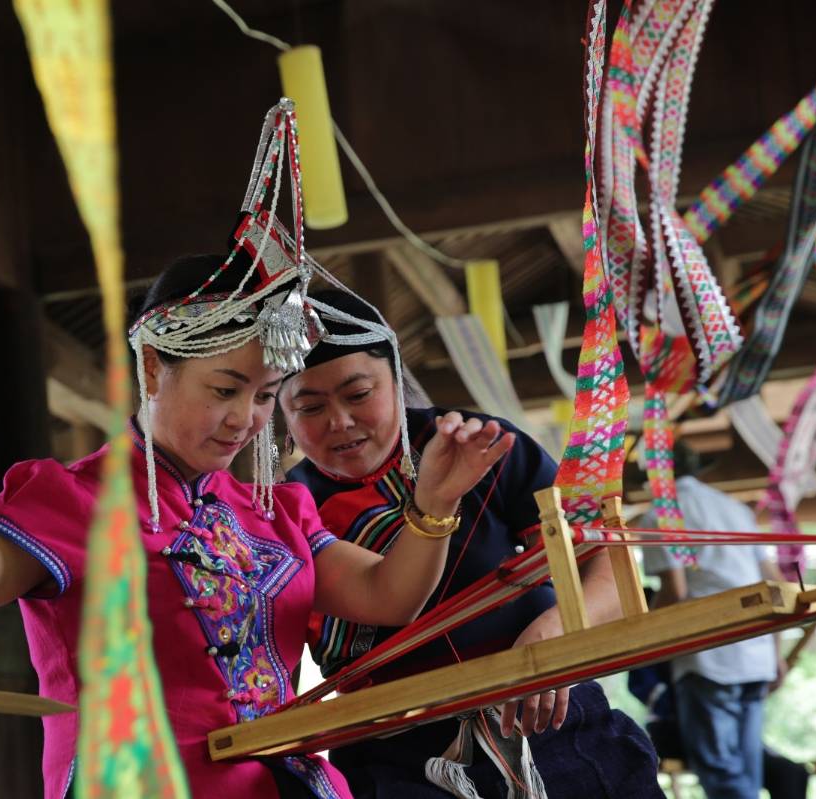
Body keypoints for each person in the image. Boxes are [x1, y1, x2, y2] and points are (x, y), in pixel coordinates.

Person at [0, 249, 517, 799]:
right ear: (153, 369)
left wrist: (433, 506)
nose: (246, 419)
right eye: (223, 388)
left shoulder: (272, 510)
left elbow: (387, 597)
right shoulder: (73, 503)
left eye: (265, 396)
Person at [279, 289, 664, 799]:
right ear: (277, 415)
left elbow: (609, 567)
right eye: (309, 406)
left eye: (358, 395)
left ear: (394, 380)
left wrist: (556, 631)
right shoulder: (283, 512)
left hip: (549, 718)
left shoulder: (479, 446)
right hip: (397, 756)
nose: (340, 422)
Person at [641, 474, 788, 799]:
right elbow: (774, 584)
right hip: (757, 651)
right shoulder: (736, 511)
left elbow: (675, 591)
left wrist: (638, 628)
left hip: (710, 656)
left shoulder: (663, 513)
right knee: (748, 771)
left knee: (722, 774)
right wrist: (776, 653)